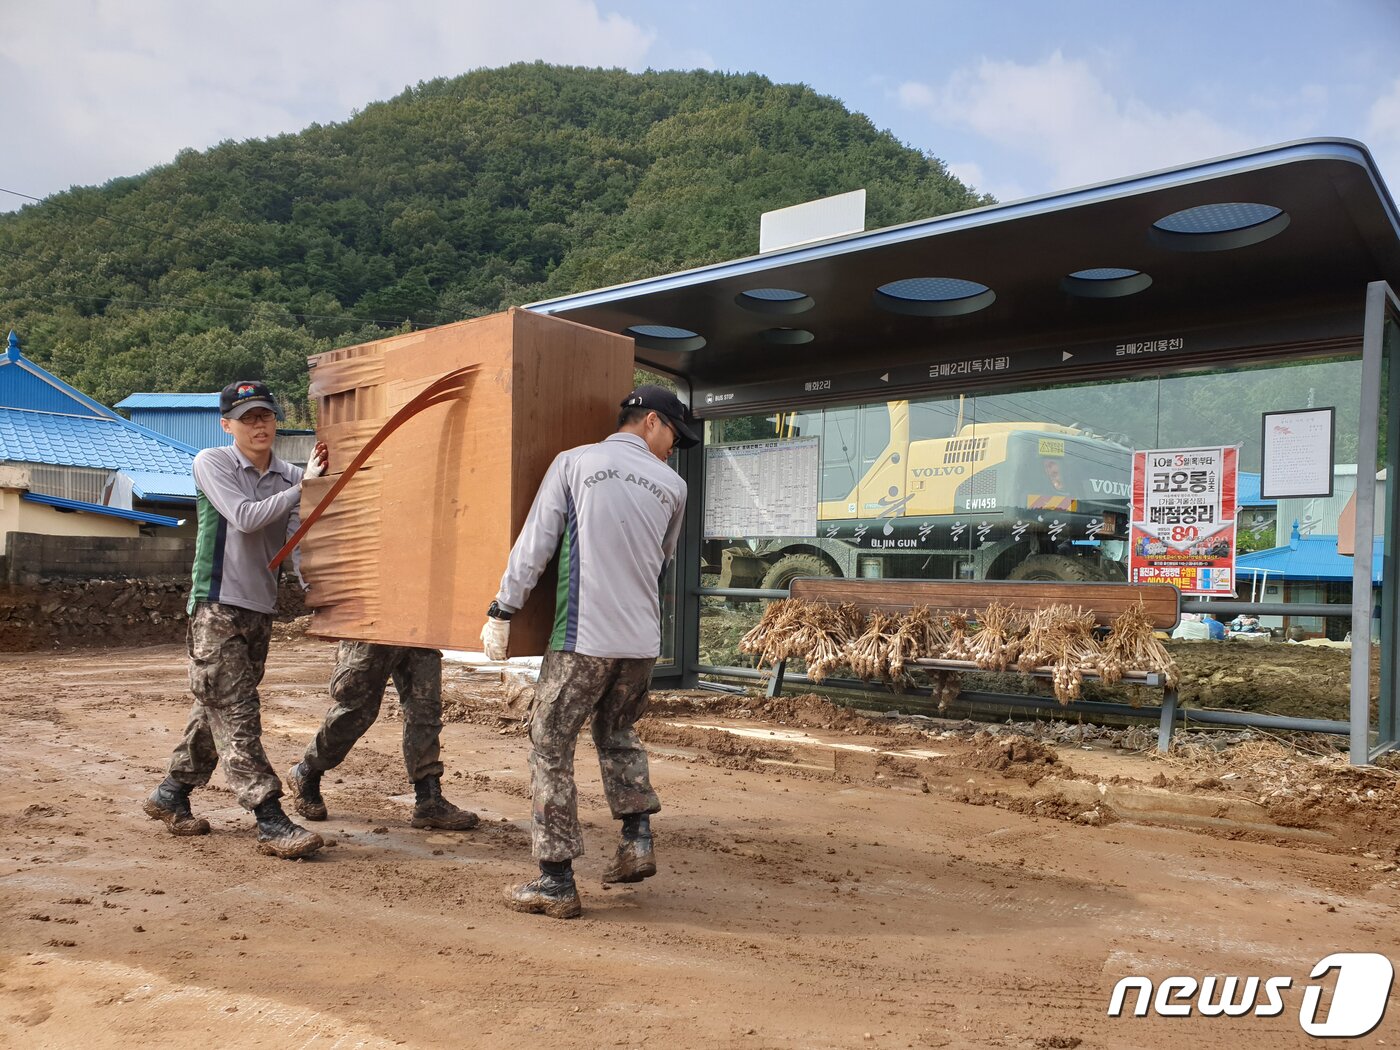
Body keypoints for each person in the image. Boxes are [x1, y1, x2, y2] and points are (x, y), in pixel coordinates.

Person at [481, 385, 696, 919]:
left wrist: (503, 611)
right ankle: (636, 839)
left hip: (583, 639)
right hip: (641, 642)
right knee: (618, 732)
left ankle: (554, 880)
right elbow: (662, 562)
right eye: (674, 435)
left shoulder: (574, 463)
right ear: (652, 421)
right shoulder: (673, 485)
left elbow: (536, 543)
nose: (673, 448)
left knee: (550, 743)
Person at [143, 380, 327, 860]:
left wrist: (318, 592)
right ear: (227, 425)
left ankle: (171, 793)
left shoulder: (290, 474)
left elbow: (296, 540)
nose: (258, 425)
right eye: (247, 418)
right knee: (239, 713)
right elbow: (245, 517)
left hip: (261, 609)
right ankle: (269, 817)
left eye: (265, 415)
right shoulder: (212, 462)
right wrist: (306, 487)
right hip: (216, 606)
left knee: (218, 709)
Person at [285, 642, 480, 831]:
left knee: (425, 709)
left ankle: (428, 798)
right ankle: (307, 771)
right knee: (357, 710)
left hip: (420, 627)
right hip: (372, 627)